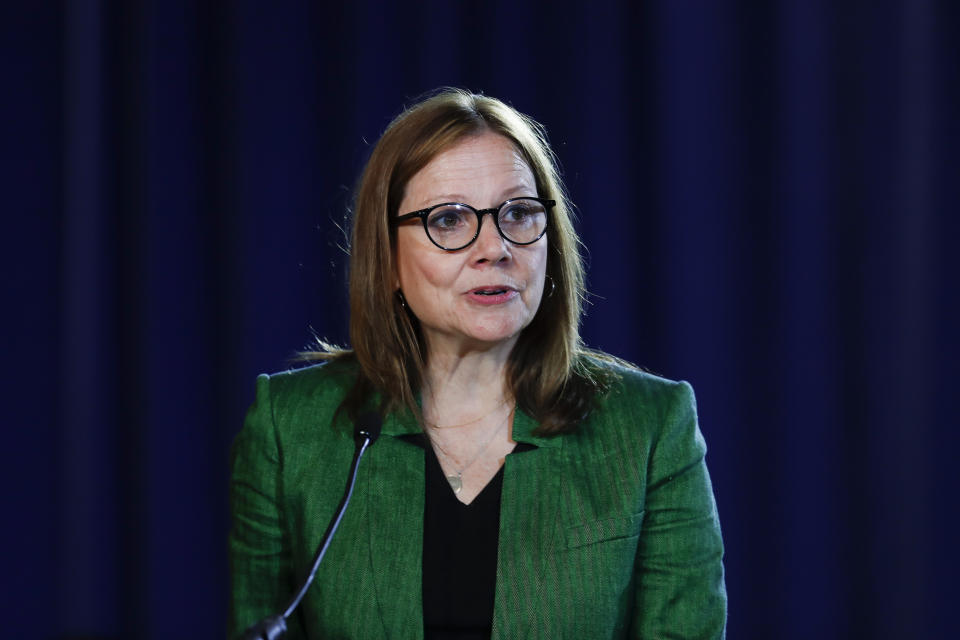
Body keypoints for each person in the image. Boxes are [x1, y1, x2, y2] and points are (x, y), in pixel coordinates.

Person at [228, 88, 726, 639]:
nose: (494, 247)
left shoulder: (650, 429)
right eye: (448, 221)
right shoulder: (289, 429)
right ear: (387, 258)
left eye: (518, 213)